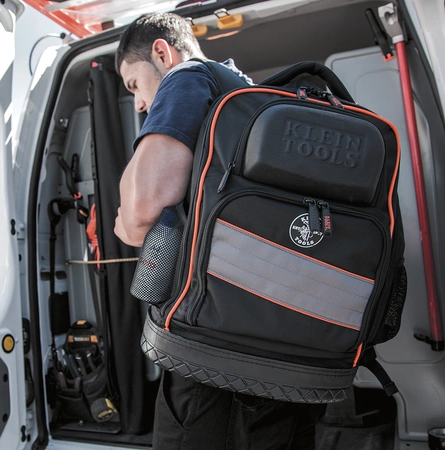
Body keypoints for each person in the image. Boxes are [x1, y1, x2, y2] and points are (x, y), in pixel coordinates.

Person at [114, 12, 326, 449]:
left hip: (214, 353)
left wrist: (130, 218)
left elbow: (142, 211)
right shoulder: (250, 94)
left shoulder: (187, 79)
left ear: (161, 52)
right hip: (294, 350)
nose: (137, 102)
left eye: (134, 84)